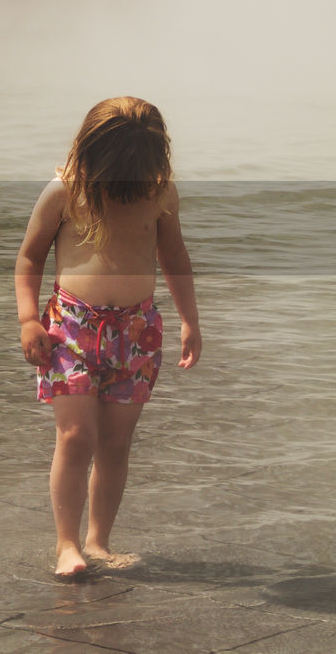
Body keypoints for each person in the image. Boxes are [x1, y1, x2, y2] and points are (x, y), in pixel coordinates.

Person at [15, 96, 201, 580]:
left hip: (136, 332)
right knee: (77, 435)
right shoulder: (65, 191)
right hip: (71, 328)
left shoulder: (160, 194)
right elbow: (30, 257)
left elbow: (175, 257)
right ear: (94, 156)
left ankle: (98, 541)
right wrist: (28, 320)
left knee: (116, 443)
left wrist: (190, 320)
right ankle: (67, 545)